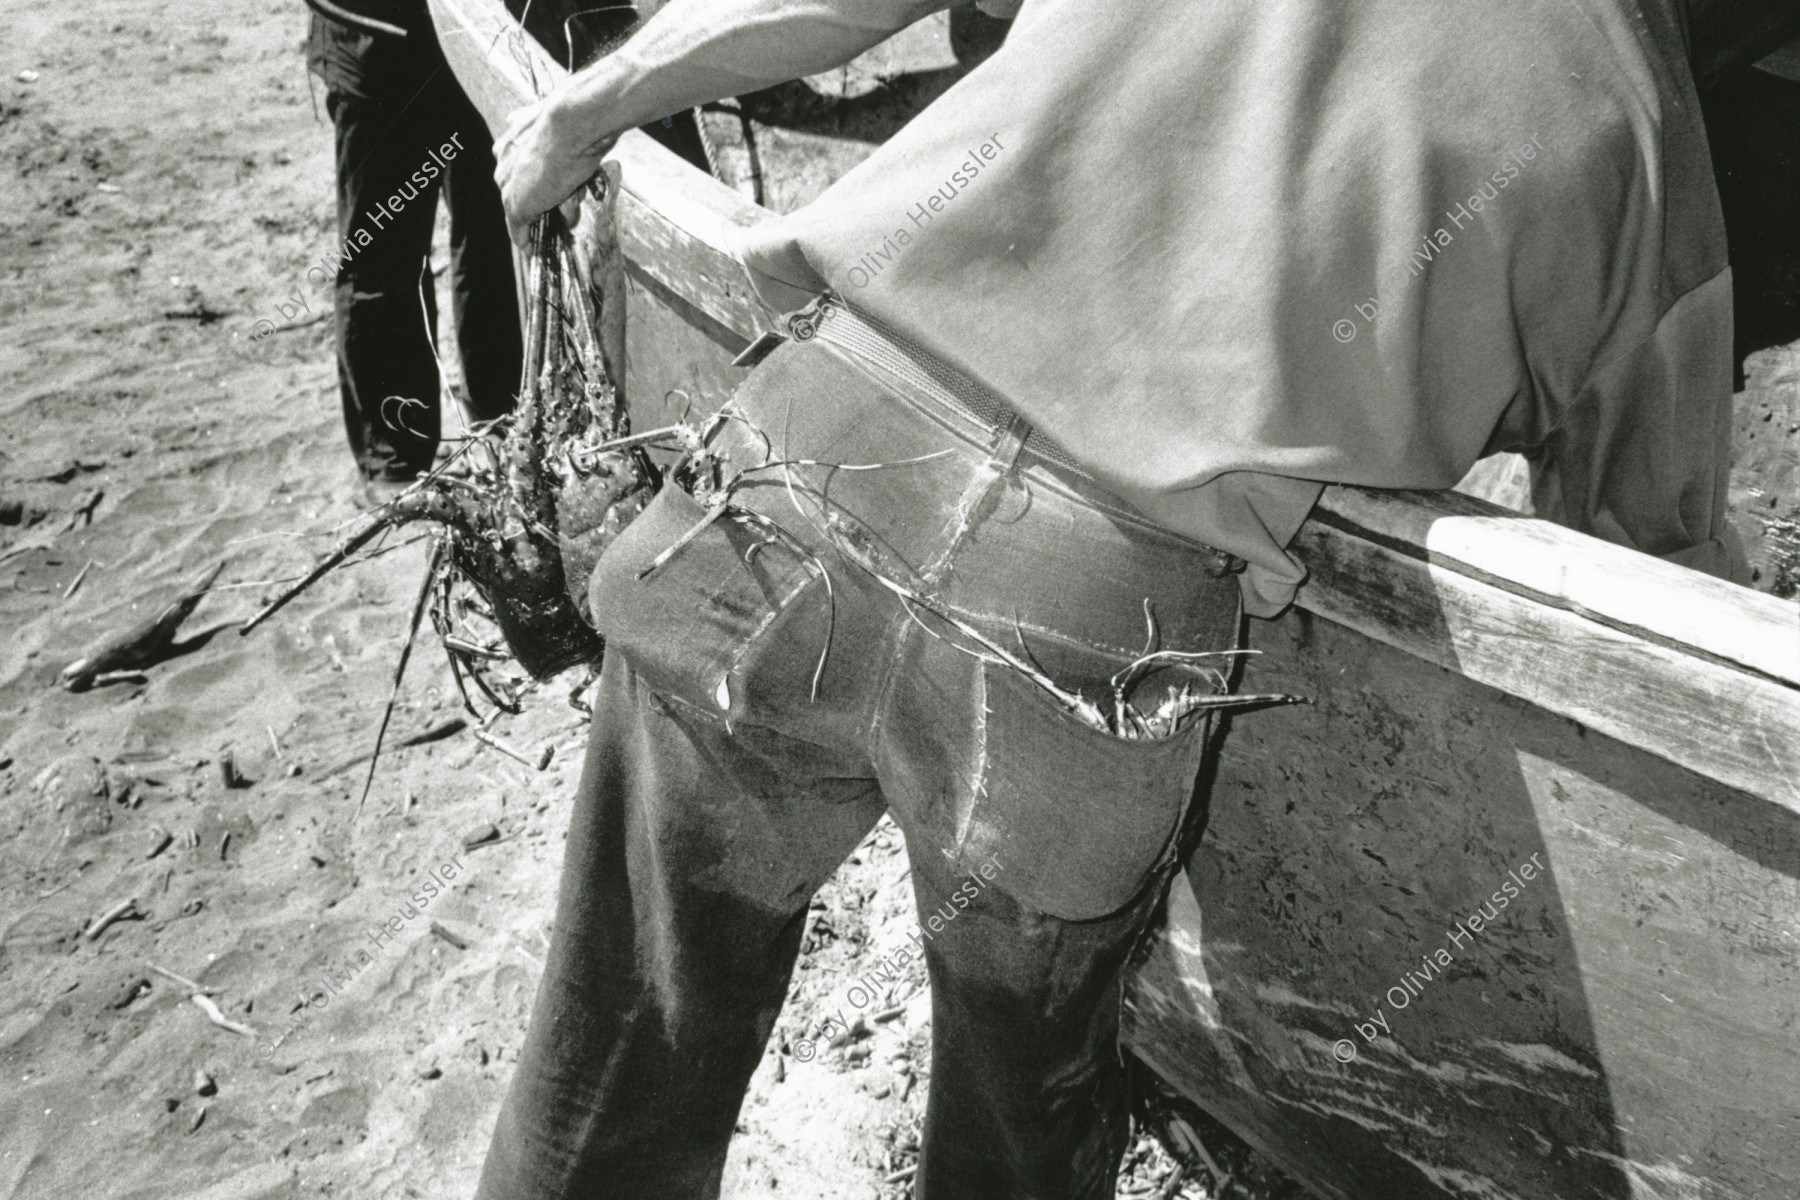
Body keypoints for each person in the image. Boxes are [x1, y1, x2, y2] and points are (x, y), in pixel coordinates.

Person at [475, 1, 1800, 1197]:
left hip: (789, 465)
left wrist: (596, 102)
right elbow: (1648, 577)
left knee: (612, 1073)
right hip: (1077, 643)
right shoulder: (1644, 127)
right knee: (1014, 1143)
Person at [304, 0, 523, 493]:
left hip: (494, 32)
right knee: (384, 252)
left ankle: (504, 429)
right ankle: (396, 462)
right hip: (379, 34)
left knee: (499, 236)